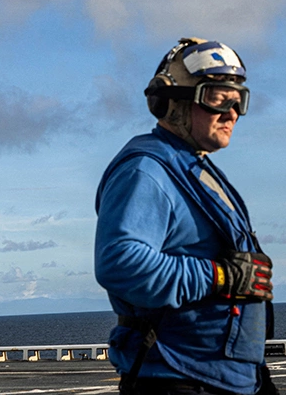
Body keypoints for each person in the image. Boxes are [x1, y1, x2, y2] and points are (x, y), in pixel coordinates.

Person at [95, 38, 276, 395]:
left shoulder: (192, 167)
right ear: (170, 102)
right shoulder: (147, 171)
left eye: (239, 100)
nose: (232, 113)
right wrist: (220, 276)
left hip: (225, 376)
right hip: (177, 375)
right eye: (217, 98)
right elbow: (119, 264)